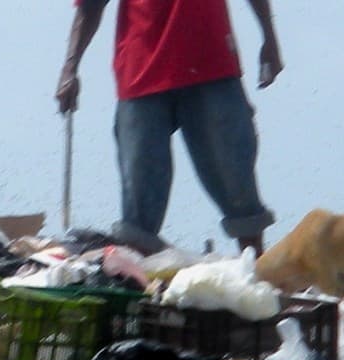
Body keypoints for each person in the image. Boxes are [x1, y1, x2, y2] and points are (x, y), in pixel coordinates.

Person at [55, 0, 282, 257]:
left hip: (211, 62)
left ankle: (255, 268)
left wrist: (270, 38)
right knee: (139, 205)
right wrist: (70, 68)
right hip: (141, 71)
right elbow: (90, 6)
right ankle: (135, 274)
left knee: (237, 183)